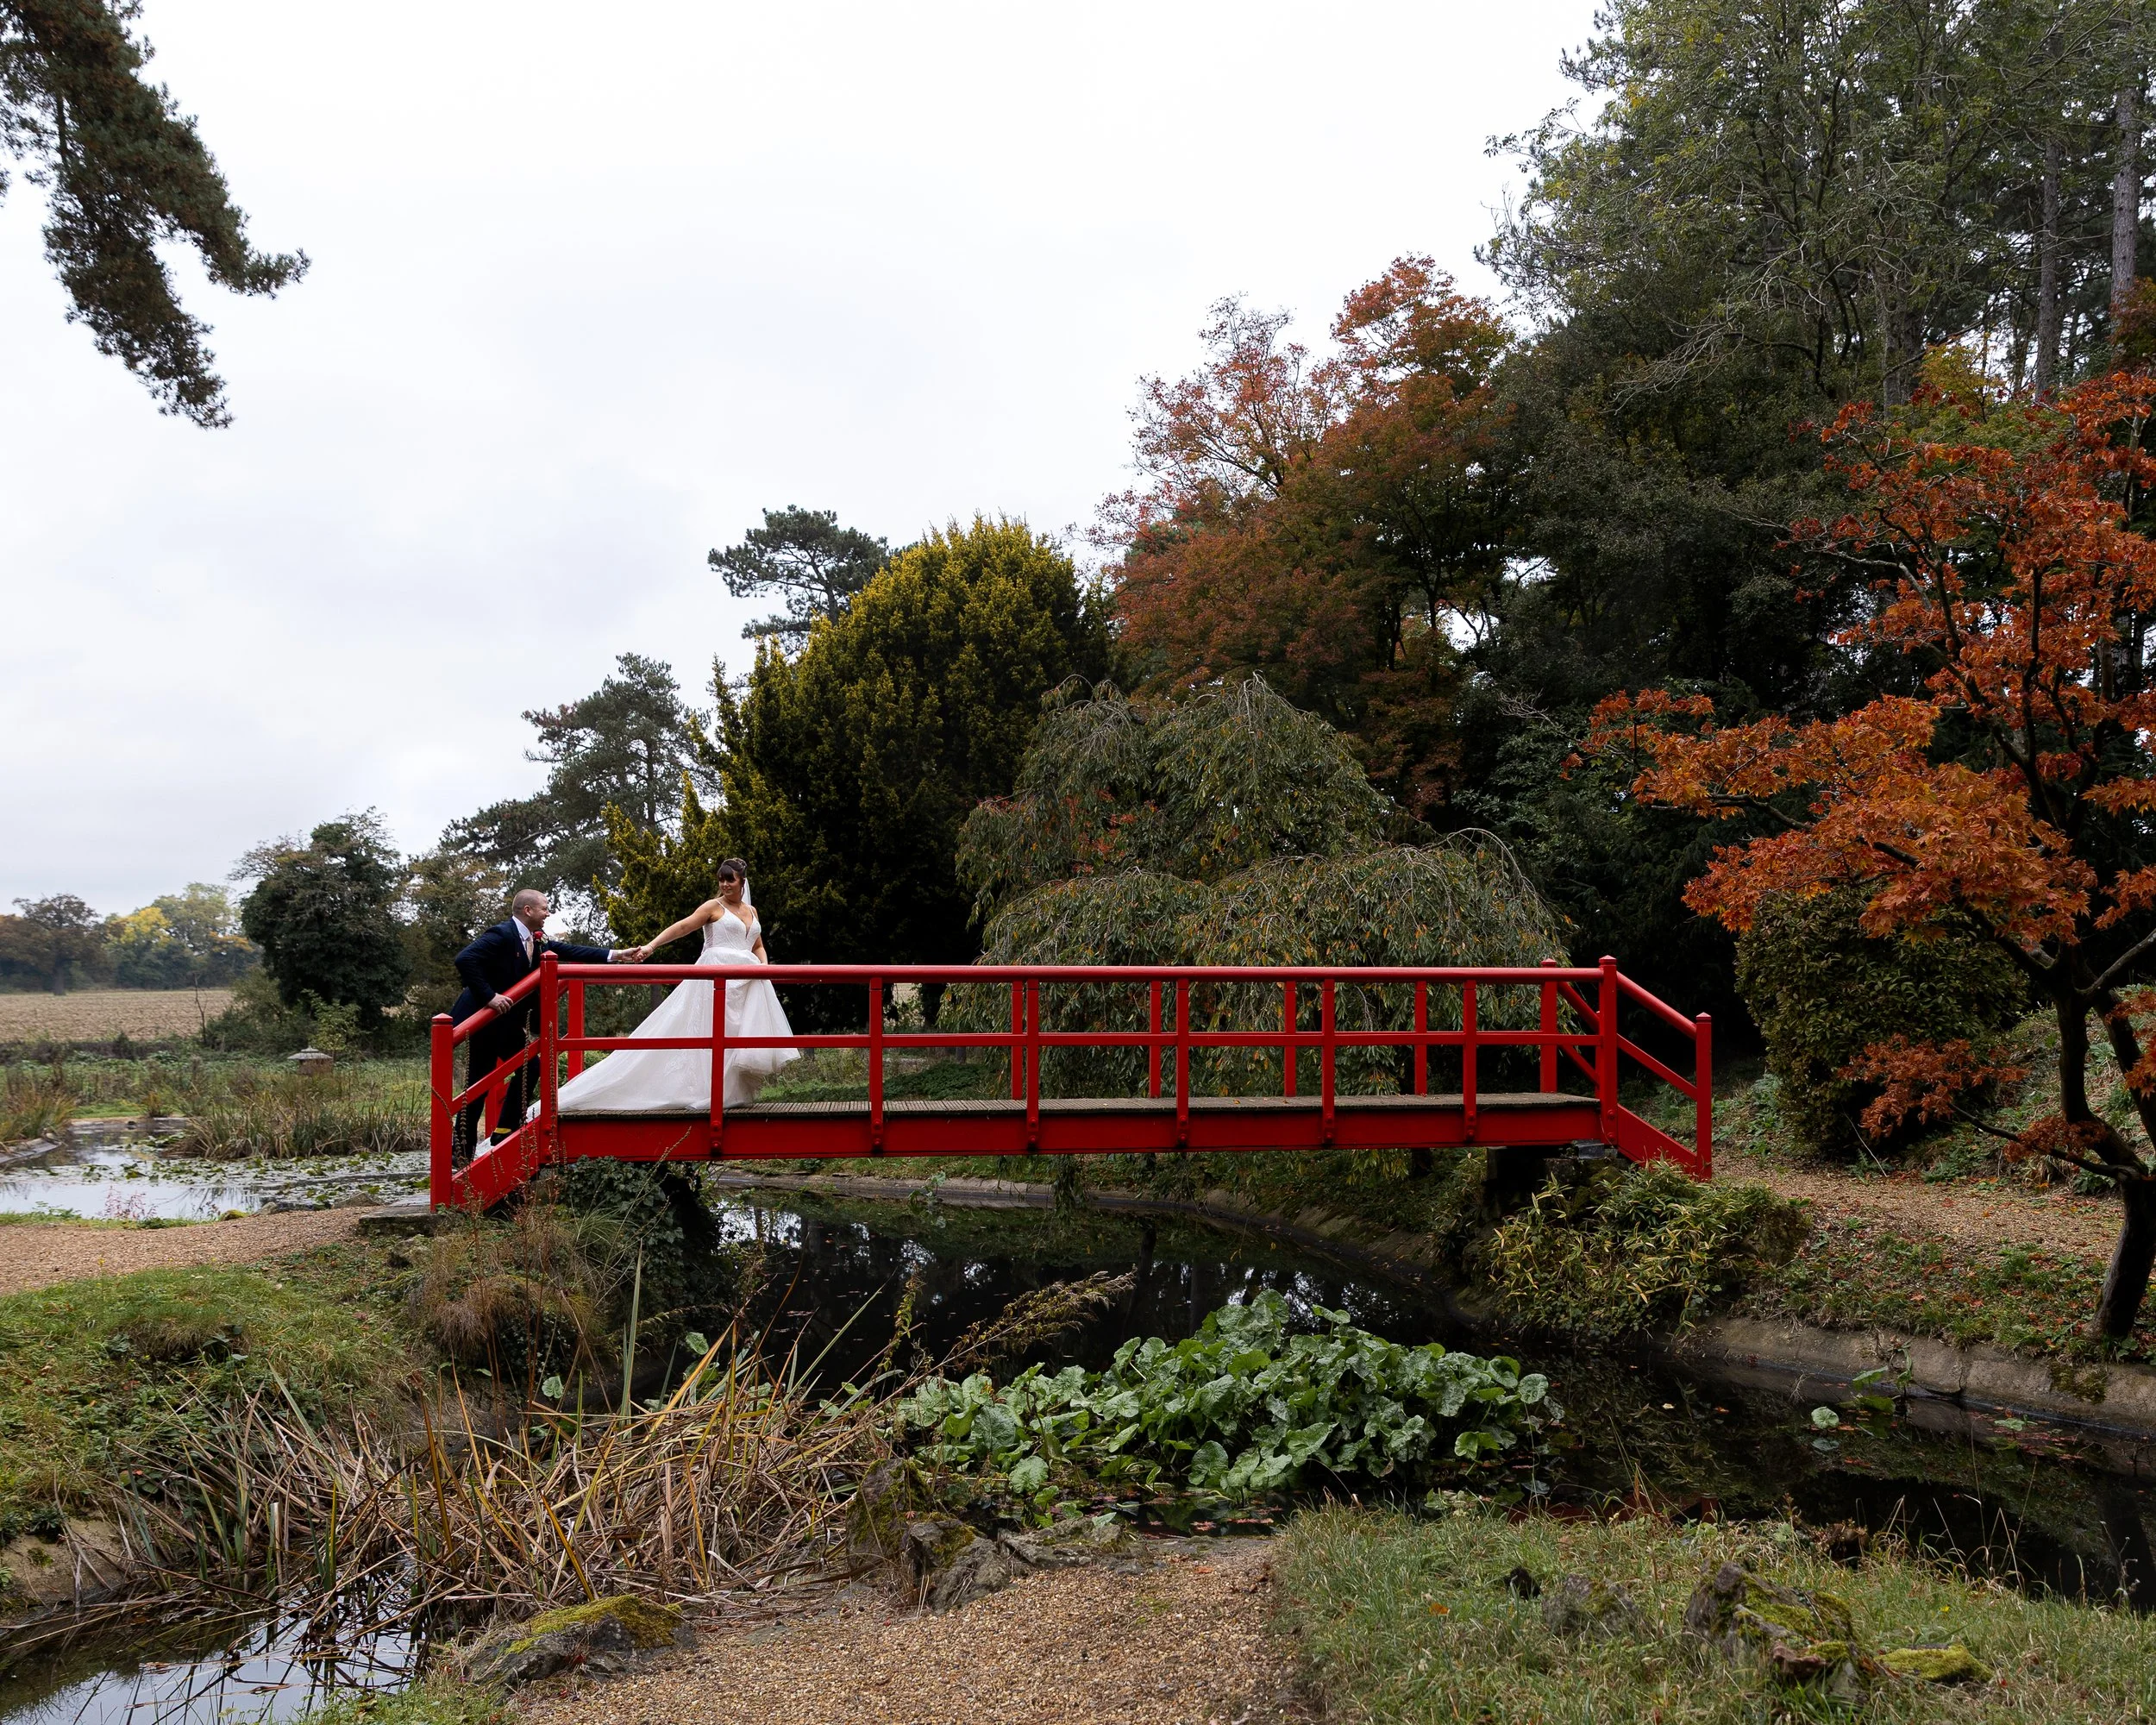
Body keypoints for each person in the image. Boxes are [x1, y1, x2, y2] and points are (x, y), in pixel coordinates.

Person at [548, 857, 799, 1114]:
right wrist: (651, 946)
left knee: (736, 1036)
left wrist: (765, 969)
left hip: (747, 981)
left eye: (730, 880)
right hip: (717, 975)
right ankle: (707, 1092)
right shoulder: (713, 907)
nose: (724, 885)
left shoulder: (752, 911)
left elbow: (757, 945)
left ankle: (730, 1092)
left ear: (742, 882)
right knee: (709, 1030)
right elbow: (682, 926)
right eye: (721, 879)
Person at [451, 888, 633, 1157]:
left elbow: (570, 950)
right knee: (480, 1079)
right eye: (545, 908)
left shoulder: (537, 940)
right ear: (528, 911)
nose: (549, 913)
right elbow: (465, 960)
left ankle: (504, 1130)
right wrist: (490, 997)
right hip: (483, 1018)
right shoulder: (501, 934)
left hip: (506, 1022)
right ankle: (461, 1149)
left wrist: (617, 955)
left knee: (530, 1066)